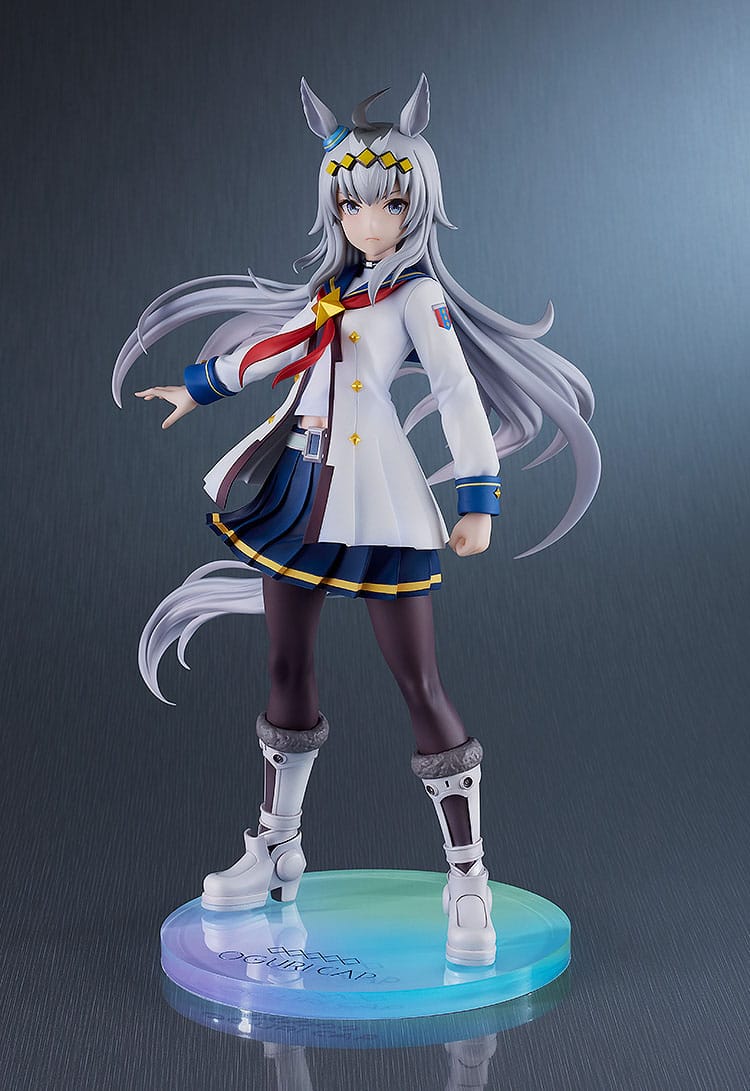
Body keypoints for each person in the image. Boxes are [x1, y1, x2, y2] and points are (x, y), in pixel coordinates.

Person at [112, 75, 600, 967]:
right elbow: (273, 351)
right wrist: (195, 386)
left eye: (387, 204)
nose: (367, 220)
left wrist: (478, 497)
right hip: (301, 491)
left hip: (380, 504)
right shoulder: (334, 293)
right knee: (285, 665)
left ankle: (467, 874)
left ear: (417, 207)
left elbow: (456, 390)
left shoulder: (416, 299)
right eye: (350, 203)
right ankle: (277, 847)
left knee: (420, 683)